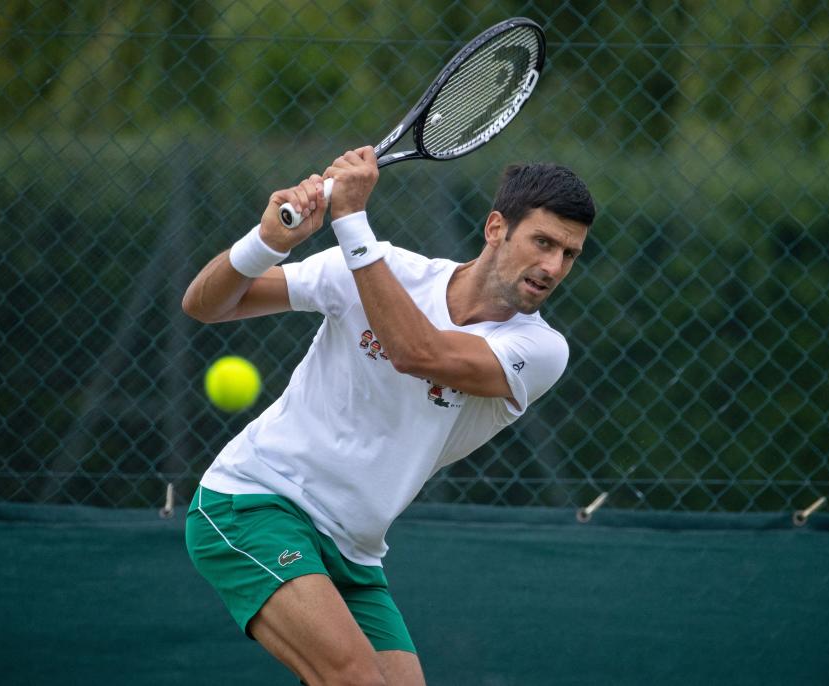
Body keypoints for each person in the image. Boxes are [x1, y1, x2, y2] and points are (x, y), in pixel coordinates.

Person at [183, 147, 595, 686]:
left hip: (354, 549)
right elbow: (205, 304)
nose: (552, 267)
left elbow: (418, 353)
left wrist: (351, 222)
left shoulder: (540, 350)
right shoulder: (379, 268)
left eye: (569, 254)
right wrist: (265, 244)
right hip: (255, 502)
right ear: (496, 228)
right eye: (543, 242)